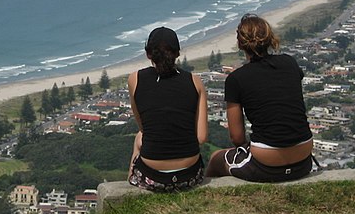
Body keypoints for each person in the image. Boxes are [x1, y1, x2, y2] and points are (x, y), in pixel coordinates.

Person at [206, 14, 315, 182]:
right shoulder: (289, 63)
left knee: (215, 158)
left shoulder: (236, 79)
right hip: (304, 158)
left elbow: (237, 138)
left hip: (266, 164)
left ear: (241, 44)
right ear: (270, 38)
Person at [128, 27, 209, 192]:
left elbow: (143, 127)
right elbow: (201, 137)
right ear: (177, 54)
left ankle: (132, 182)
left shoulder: (135, 79)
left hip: (152, 176)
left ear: (148, 54)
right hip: (190, 175)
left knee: (139, 138)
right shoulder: (195, 82)